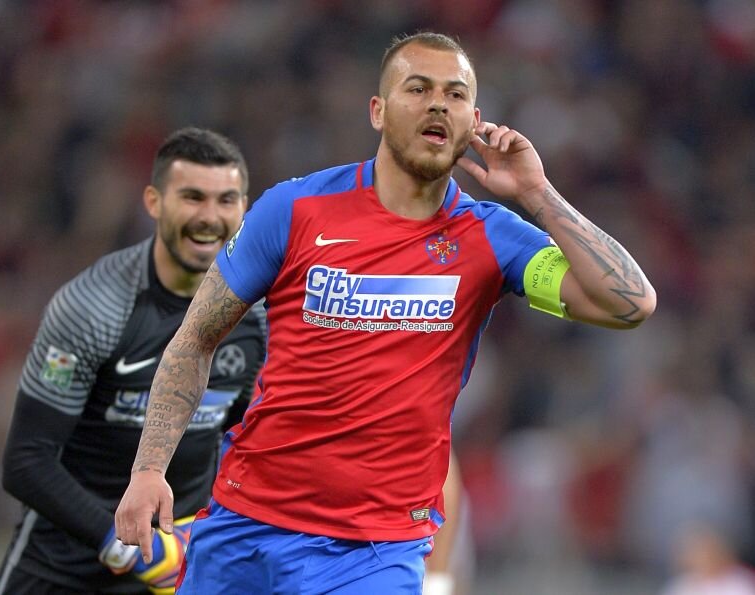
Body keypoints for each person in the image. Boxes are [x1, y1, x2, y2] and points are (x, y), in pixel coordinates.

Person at [115, 32, 657, 594]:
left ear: (474, 121)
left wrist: (538, 193)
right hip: (246, 527)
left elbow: (629, 303)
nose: (438, 104)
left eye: (455, 94)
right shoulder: (294, 210)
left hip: (375, 554)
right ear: (378, 110)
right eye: (418, 89)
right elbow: (195, 339)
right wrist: (149, 468)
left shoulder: (493, 238)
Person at [0, 128, 266, 594]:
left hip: (173, 567)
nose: (209, 217)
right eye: (192, 197)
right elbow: (26, 461)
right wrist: (127, 548)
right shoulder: (93, 307)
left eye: (225, 201)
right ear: (154, 202)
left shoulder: (258, 316)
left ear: (244, 207)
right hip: (61, 568)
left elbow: (248, 440)